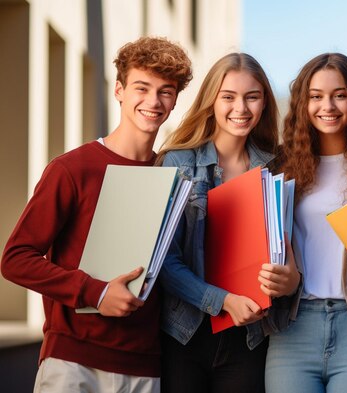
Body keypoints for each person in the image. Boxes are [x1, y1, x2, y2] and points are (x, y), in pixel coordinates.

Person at [1, 36, 192, 392]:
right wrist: (96, 293)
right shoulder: (73, 168)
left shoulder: (175, 179)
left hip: (145, 368)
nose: (153, 101)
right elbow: (15, 259)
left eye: (166, 91)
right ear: (119, 90)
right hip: (74, 364)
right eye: (142, 87)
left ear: (175, 99)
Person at [155, 52, 301, 393]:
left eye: (252, 96)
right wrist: (222, 301)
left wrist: (289, 282)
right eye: (229, 97)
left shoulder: (277, 169)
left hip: (249, 339)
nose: (241, 108)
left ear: (264, 102)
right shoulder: (178, 162)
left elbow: (288, 252)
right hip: (186, 334)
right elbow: (163, 260)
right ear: (211, 101)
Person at [264, 53, 347, 393]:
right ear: (303, 103)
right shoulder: (281, 165)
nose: (327, 106)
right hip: (293, 326)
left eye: (340, 95)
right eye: (316, 96)